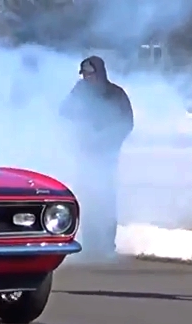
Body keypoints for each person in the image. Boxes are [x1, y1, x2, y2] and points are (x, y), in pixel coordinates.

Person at [59, 55, 134, 259]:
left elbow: (127, 123)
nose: (86, 78)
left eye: (90, 74)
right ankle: (91, 243)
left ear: (99, 73)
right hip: (85, 153)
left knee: (106, 197)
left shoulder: (115, 94)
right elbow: (63, 112)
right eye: (84, 74)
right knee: (88, 197)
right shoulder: (80, 91)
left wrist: (108, 139)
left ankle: (107, 244)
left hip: (106, 155)